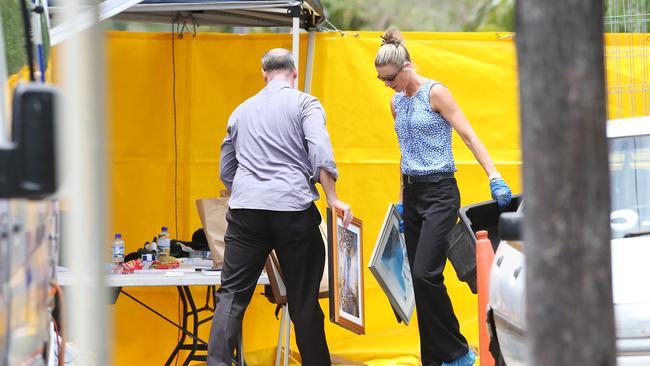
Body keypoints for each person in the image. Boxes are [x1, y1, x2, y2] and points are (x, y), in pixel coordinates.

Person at [374, 29, 512, 366]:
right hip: (414, 192)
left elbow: (468, 134)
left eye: (390, 78)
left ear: (406, 67)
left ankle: (458, 352)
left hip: (440, 192)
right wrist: (402, 200)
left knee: (424, 274)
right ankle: (433, 358)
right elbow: (404, 153)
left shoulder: (436, 93)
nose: (387, 85)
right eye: (381, 80)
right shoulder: (395, 102)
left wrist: (494, 176)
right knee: (423, 283)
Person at [207, 48, 352, 366]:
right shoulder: (305, 104)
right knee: (303, 302)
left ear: (264, 74)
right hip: (292, 210)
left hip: (247, 213)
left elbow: (226, 169)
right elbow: (320, 149)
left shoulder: (240, 112)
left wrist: (246, 191)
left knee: (231, 296)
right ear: (294, 72)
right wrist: (332, 197)